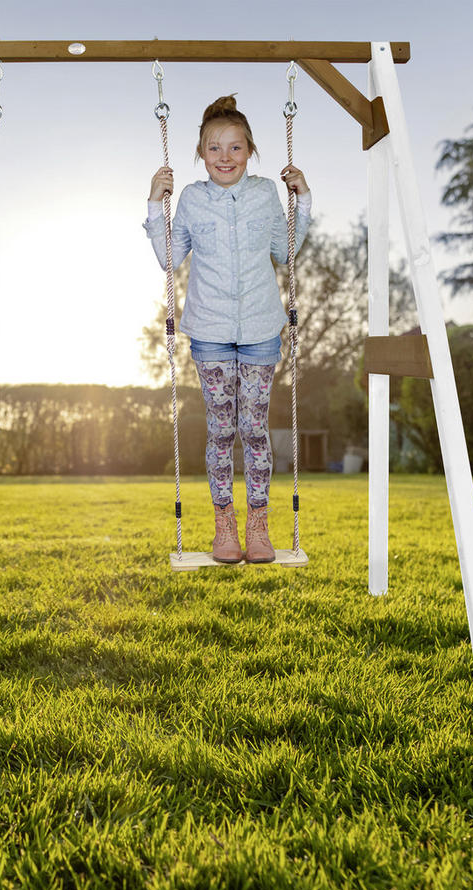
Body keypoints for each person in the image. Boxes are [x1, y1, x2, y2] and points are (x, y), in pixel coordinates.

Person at [145, 94, 311, 564]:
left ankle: (259, 528)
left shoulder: (264, 192)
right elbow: (168, 257)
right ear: (201, 154)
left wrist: (303, 198)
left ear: (250, 151)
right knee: (221, 431)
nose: (224, 157)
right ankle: (225, 529)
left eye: (235, 148)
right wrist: (155, 204)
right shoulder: (193, 199)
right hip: (211, 330)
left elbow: (287, 251)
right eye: (214, 148)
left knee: (254, 429)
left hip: (260, 327)